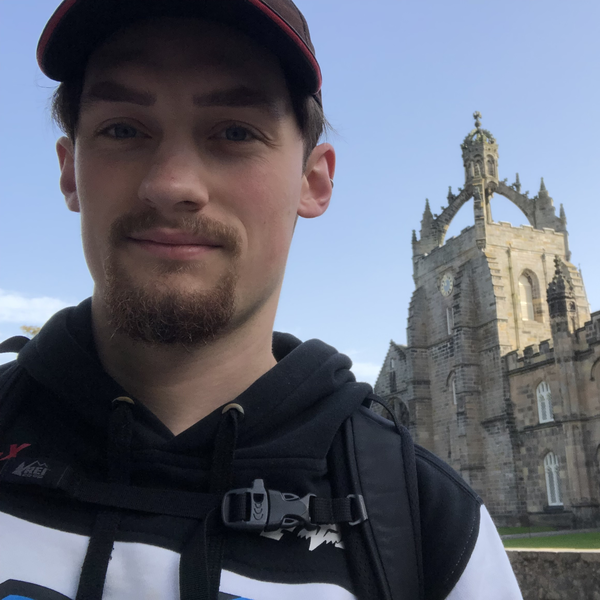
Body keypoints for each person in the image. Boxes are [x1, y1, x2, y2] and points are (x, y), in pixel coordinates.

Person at [0, 1, 523, 599]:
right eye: (123, 129)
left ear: (313, 181)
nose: (172, 185)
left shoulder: (435, 529)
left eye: (235, 132)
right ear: (70, 170)